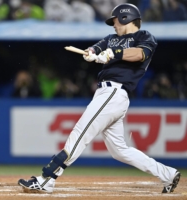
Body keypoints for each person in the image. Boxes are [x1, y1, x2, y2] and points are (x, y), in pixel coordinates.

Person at [18, 3, 180, 194]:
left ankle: (47, 179)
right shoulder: (111, 38)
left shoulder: (143, 37)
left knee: (80, 133)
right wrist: (92, 54)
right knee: (119, 150)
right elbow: (95, 48)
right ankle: (168, 174)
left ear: (126, 18)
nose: (113, 24)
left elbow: (139, 54)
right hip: (107, 95)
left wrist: (113, 54)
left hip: (114, 93)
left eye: (115, 20)